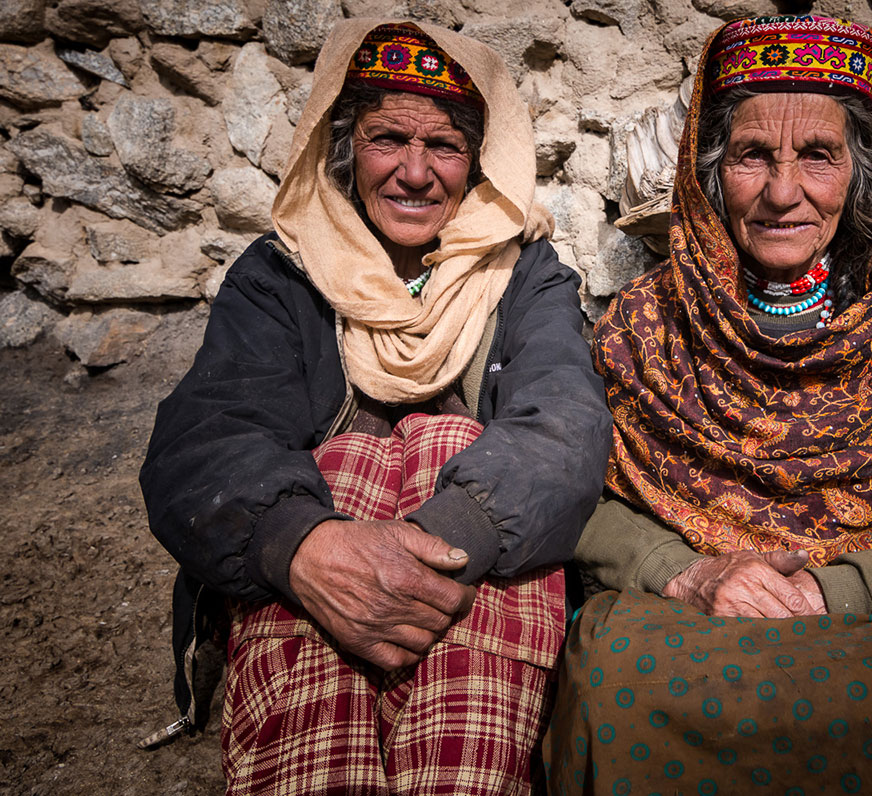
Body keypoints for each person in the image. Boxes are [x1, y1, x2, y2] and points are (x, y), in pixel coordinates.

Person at [545, 14, 872, 795]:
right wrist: (686, 573)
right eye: (752, 156)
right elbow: (577, 491)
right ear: (711, 171)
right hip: (681, 623)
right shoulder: (647, 327)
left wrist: (824, 590)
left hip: (871, 630)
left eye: (818, 156)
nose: (784, 194)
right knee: (614, 688)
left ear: (859, 173)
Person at [140, 19, 610, 794]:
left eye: (447, 147)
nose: (416, 173)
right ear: (345, 144)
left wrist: (430, 542)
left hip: (471, 565)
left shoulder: (526, 272)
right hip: (324, 560)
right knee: (347, 468)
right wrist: (305, 548)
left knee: (440, 449)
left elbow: (563, 426)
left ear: (482, 160)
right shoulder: (281, 274)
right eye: (388, 138)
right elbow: (208, 434)